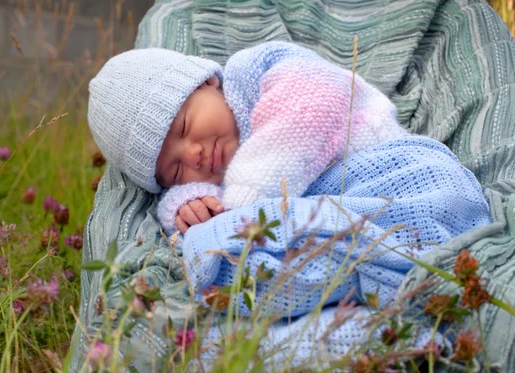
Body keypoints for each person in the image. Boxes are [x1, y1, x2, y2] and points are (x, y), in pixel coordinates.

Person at [87, 40, 491, 319]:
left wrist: (240, 207)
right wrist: (187, 204)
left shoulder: (258, 70)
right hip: (324, 215)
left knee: (235, 242)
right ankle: (359, 302)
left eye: (185, 126)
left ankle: (389, 267)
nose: (193, 154)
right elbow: (201, 202)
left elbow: (310, 112)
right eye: (174, 170)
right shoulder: (219, 173)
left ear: (208, 82)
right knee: (206, 247)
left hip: (398, 174)